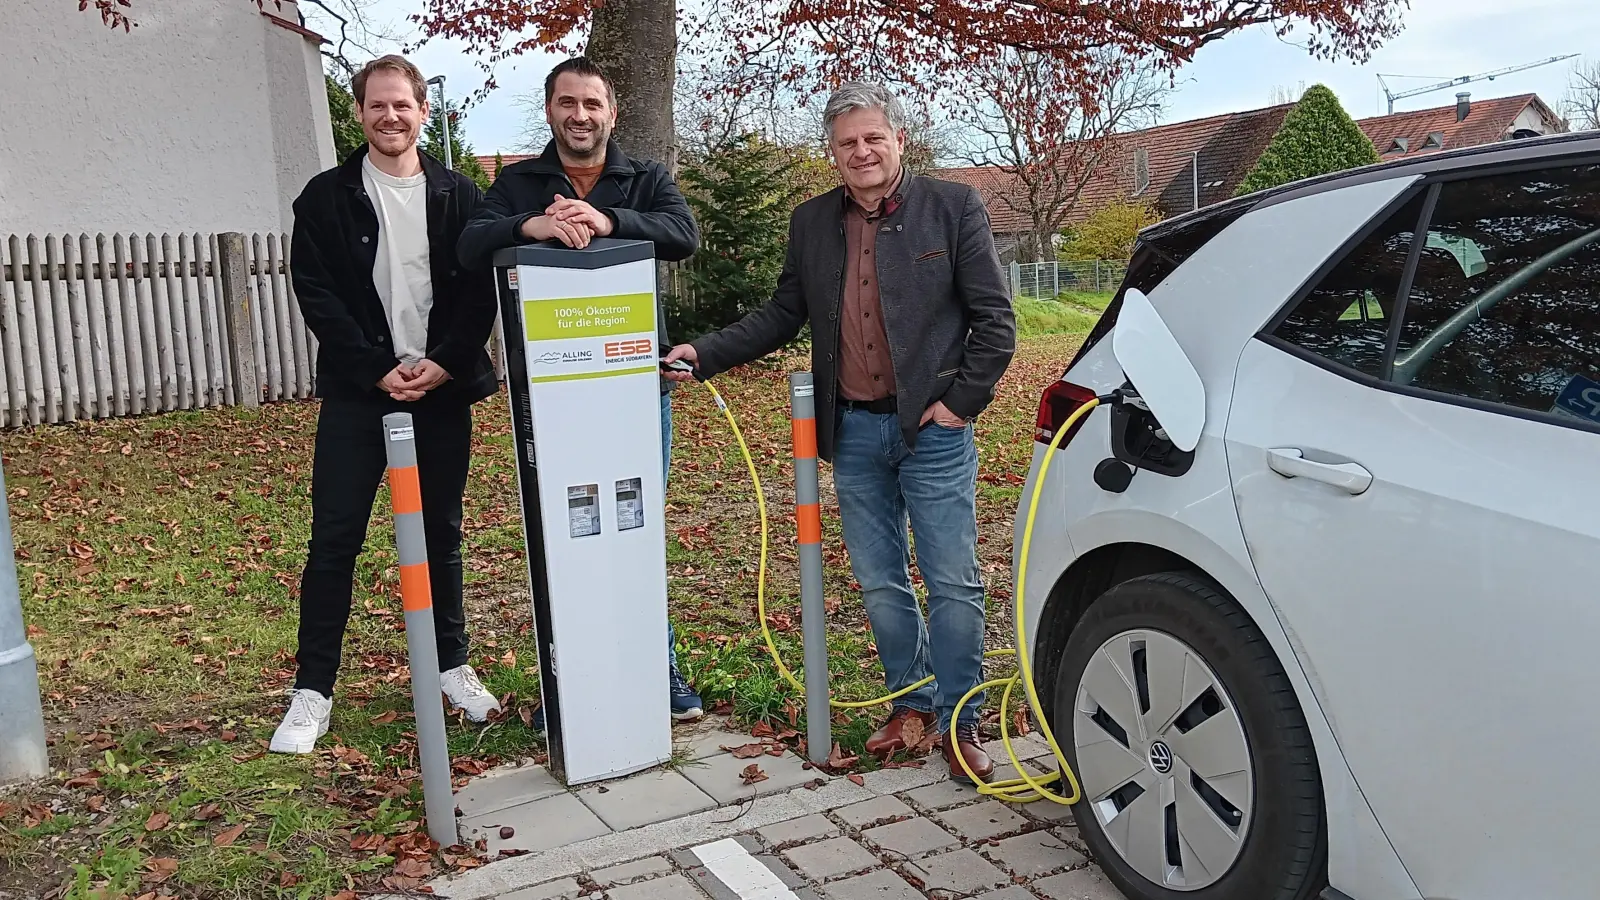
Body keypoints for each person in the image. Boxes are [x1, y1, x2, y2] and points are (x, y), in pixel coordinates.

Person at [663, 82, 1016, 782]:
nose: (861, 152)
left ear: (899, 141)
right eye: (847, 143)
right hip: (853, 431)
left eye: (872, 138)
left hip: (933, 433)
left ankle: (960, 720)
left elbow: (996, 323)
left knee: (951, 581)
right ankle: (910, 704)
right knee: (881, 583)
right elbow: (781, 313)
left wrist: (956, 406)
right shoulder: (812, 222)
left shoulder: (952, 208)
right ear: (831, 154)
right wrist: (703, 354)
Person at [456, 56, 706, 721]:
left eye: (592, 104)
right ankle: (571, 678)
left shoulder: (643, 178)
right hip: (552, 393)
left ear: (611, 113)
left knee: (635, 529)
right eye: (567, 103)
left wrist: (608, 221)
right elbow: (469, 245)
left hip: (631, 387)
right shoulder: (518, 183)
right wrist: (530, 226)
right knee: (563, 538)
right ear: (550, 111)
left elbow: (683, 235)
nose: (580, 116)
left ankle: (660, 667)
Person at [271, 54, 503, 754]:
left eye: (403, 105)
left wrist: (444, 364)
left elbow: (476, 293)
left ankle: (450, 667)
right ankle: (312, 690)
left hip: (442, 392)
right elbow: (318, 296)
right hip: (357, 396)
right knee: (334, 540)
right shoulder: (324, 199)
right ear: (360, 112)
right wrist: (376, 369)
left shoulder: (461, 196)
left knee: (443, 535)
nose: (391, 116)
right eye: (378, 105)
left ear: (423, 110)